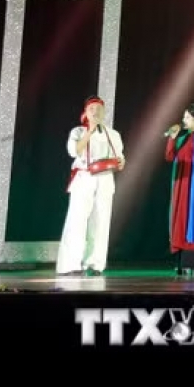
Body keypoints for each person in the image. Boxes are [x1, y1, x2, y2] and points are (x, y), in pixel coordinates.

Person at [56, 96, 125, 276]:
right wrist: (90, 131)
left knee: (101, 221)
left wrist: (121, 161)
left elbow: (120, 155)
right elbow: (74, 151)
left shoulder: (113, 134)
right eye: (92, 109)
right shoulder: (78, 131)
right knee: (77, 220)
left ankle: (95, 264)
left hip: (105, 177)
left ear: (104, 112)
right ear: (86, 113)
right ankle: (70, 264)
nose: (96, 112)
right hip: (84, 176)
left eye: (99, 109)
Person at [165, 103, 194, 277]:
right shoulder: (181, 138)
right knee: (178, 219)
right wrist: (172, 137)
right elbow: (169, 156)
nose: (183, 120)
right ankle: (179, 260)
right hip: (180, 184)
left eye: (187, 117)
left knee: (191, 219)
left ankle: (191, 262)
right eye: (183, 117)